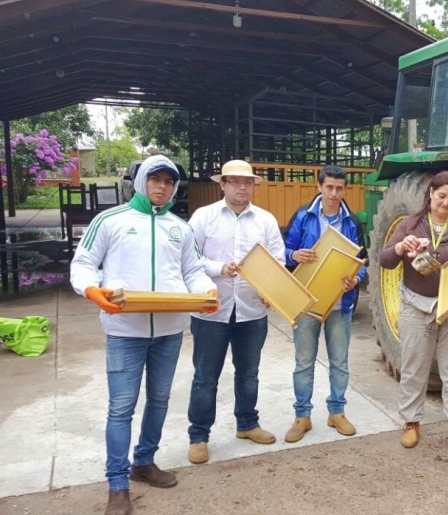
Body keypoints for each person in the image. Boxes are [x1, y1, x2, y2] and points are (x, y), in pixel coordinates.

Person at [70, 155, 217, 515]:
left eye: (169, 181)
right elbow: (83, 264)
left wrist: (207, 290)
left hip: (169, 330)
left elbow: (193, 271)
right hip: (125, 332)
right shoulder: (111, 220)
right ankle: (117, 484)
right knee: (121, 408)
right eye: (156, 179)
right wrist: (92, 290)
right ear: (140, 182)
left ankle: (144, 461)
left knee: (160, 399)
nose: (162, 186)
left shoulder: (179, 228)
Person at [186, 160, 285, 464]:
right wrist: (219, 268)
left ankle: (247, 424)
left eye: (248, 182)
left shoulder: (265, 221)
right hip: (212, 312)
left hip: (252, 313)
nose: (243, 188)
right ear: (223, 185)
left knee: (248, 374)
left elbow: (277, 261)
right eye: (236, 182)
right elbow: (187, 260)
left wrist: (272, 290)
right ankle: (199, 435)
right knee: (205, 377)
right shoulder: (204, 217)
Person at [379, 171, 448, 450]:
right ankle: (411, 423)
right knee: (413, 368)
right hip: (415, 306)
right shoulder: (410, 225)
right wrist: (400, 246)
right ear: (431, 193)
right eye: (441, 196)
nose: (445, 203)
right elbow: (385, 261)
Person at [283, 164, 367, 443]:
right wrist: (295, 255)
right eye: (329, 187)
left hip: (339, 304)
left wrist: (355, 280)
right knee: (303, 362)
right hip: (306, 302)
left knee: (339, 362)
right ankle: (302, 416)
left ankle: (337, 412)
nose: (334, 193)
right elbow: (283, 250)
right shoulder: (302, 216)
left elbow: (362, 262)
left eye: (339, 188)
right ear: (319, 186)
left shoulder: (352, 222)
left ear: (345, 189)